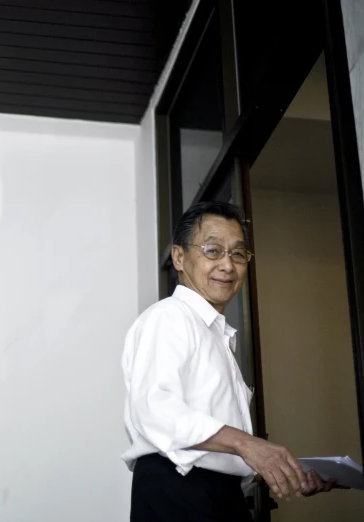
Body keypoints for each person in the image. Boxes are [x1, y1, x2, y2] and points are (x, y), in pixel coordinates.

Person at [122, 201, 337, 522]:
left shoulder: (215, 333)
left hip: (220, 494)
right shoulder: (169, 316)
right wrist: (250, 446)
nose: (227, 265)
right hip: (177, 489)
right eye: (212, 250)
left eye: (237, 254)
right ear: (179, 257)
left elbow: (216, 453)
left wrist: (281, 471)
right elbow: (155, 410)